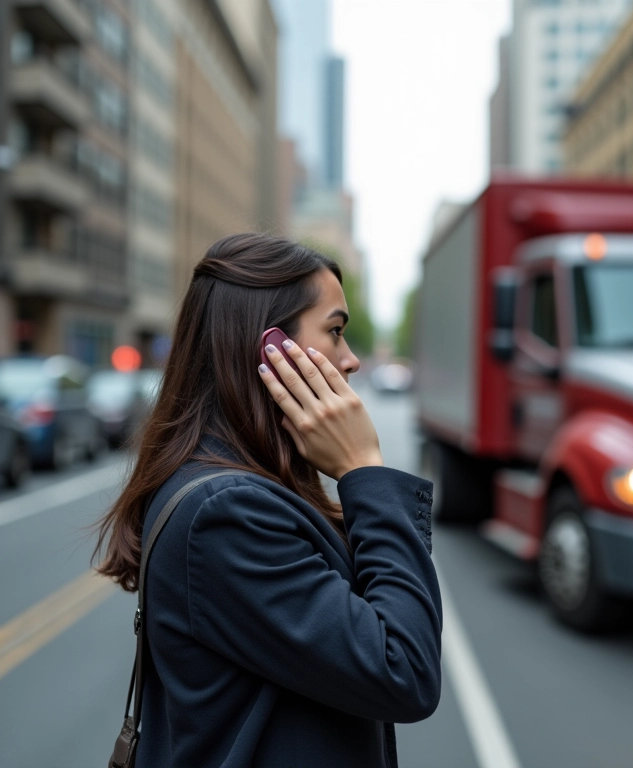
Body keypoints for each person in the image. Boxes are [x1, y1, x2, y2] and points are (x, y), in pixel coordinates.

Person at [93, 233, 442, 768]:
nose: (351, 360)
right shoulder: (226, 514)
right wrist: (364, 470)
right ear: (273, 352)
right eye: (336, 331)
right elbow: (405, 671)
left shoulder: (243, 491)